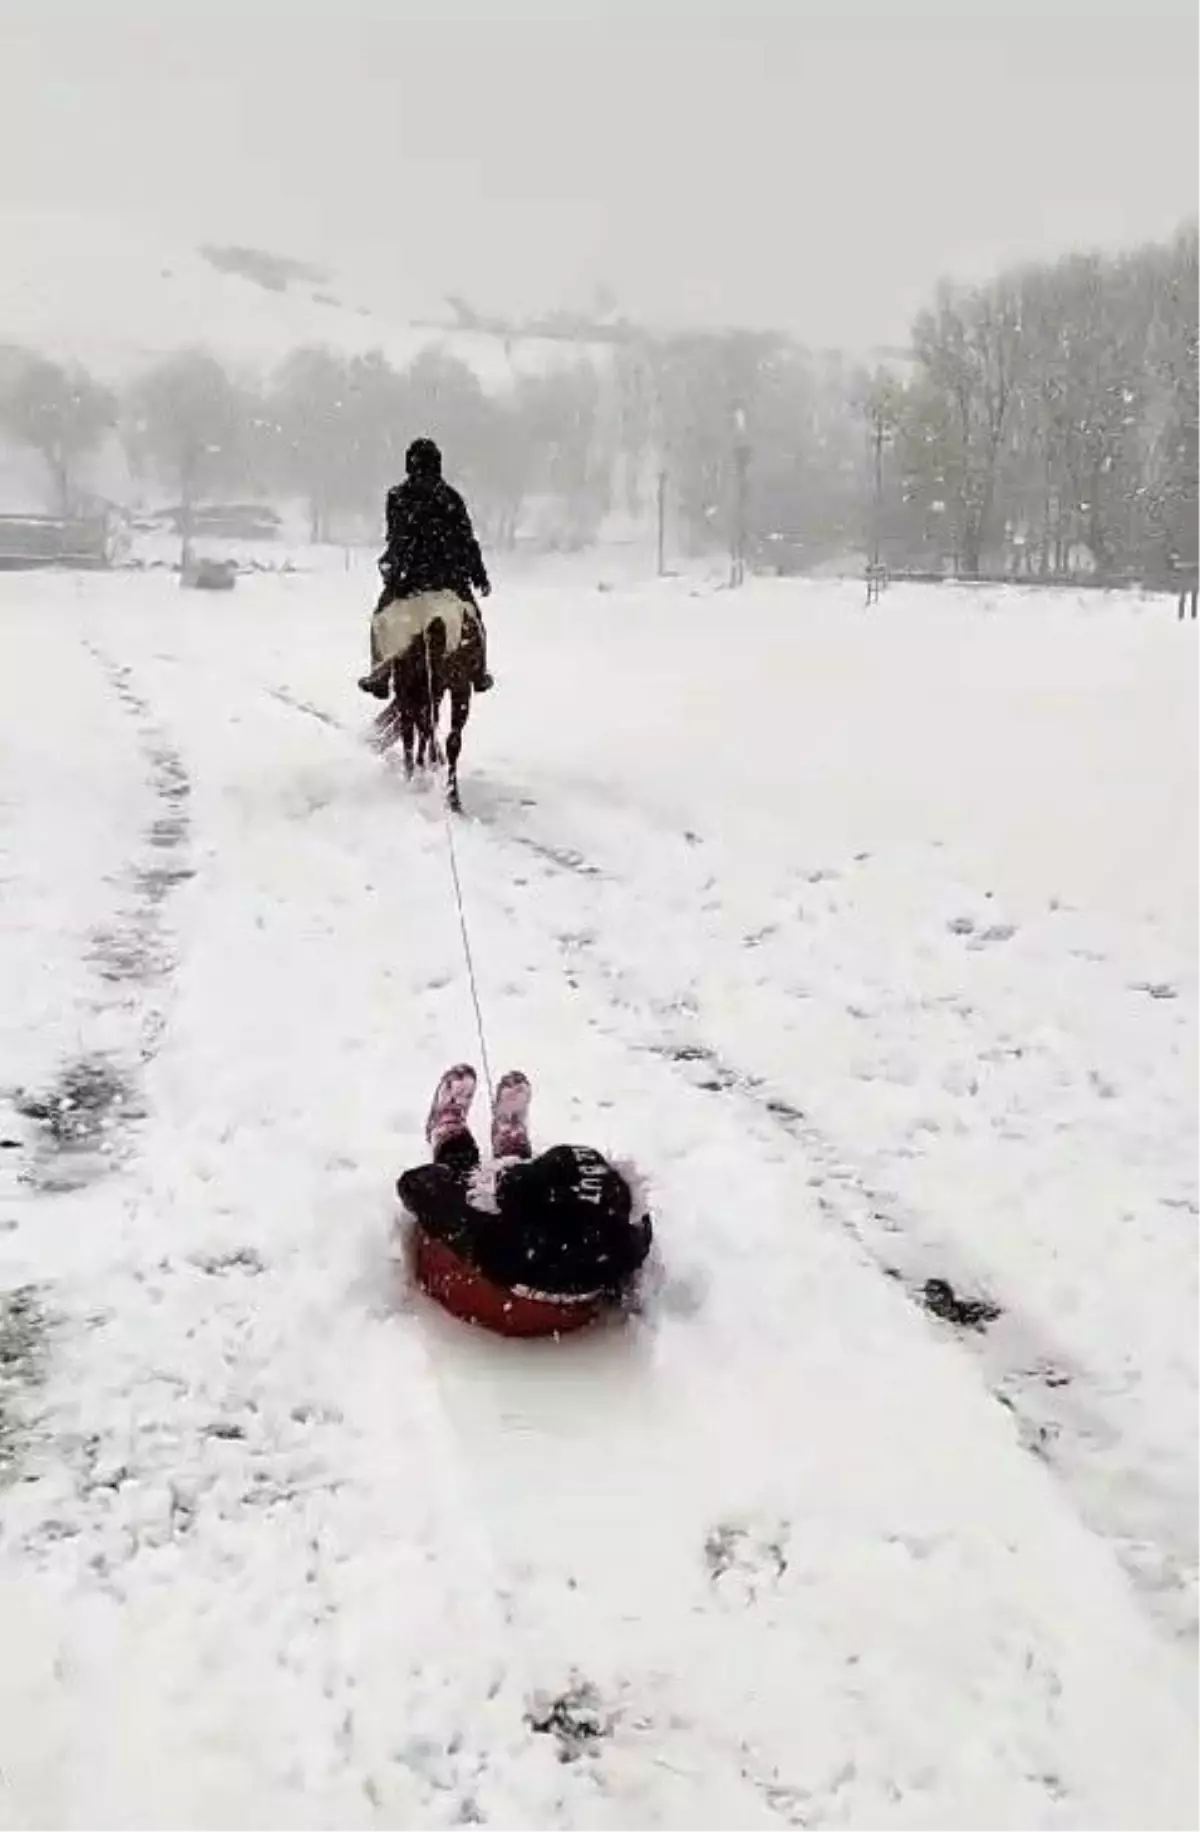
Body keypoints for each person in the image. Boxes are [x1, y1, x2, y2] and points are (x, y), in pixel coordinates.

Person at [397, 1065, 653, 1300]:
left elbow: (416, 1185)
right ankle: (511, 1144)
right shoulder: (624, 1233)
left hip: (507, 1303)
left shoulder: (506, 1243)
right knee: (544, 1186)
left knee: (461, 1178)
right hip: (570, 1293)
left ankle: (449, 1133)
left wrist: (482, 1189)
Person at [359, 437, 493, 698]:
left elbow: (397, 538)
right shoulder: (451, 497)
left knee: (379, 621)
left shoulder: (397, 496)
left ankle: (380, 675)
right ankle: (478, 673)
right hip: (449, 580)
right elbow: (466, 542)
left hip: (409, 582)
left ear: (409, 464)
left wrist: (395, 570)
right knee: (475, 623)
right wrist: (479, 576)